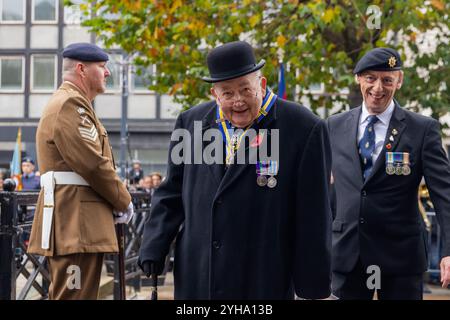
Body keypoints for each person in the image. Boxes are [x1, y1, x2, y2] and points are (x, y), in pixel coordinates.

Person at [138, 41, 332, 299]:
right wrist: (154, 244)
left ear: (261, 85)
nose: (238, 101)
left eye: (245, 90)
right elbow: (171, 193)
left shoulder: (303, 127)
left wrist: (313, 283)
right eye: (227, 93)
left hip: (262, 276)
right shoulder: (191, 122)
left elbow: (314, 212)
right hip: (200, 275)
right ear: (215, 95)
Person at [327, 47, 450, 300]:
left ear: (399, 81)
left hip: (400, 257)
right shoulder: (333, 125)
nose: (378, 88)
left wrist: (449, 250)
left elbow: (444, 194)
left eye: (387, 80)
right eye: (370, 78)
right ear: (358, 78)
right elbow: (319, 190)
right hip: (347, 254)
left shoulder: (422, 129)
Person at [27, 43, 134, 300]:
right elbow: (92, 163)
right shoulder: (70, 103)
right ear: (81, 69)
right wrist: (123, 199)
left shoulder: (75, 103)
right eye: (101, 66)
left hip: (78, 221)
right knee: (74, 297)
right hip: (75, 222)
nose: (107, 73)